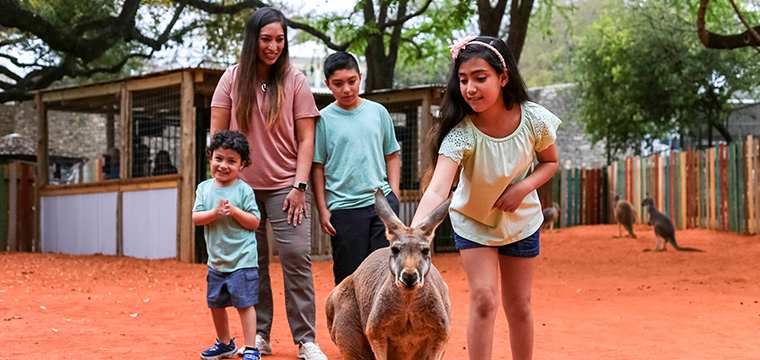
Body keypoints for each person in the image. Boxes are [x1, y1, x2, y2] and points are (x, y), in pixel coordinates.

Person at [410, 36, 561, 360]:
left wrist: (522, 189)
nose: (470, 88)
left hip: (521, 222)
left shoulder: (534, 119)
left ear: (503, 78)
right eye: (463, 80)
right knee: (484, 299)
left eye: (480, 77)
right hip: (473, 221)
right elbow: (438, 188)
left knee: (519, 305)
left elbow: (550, 162)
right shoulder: (461, 133)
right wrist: (415, 234)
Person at [209, 7, 327, 360]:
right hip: (241, 189)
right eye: (265, 39)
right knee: (251, 262)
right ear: (252, 40)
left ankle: (306, 339)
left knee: (295, 257)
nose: (273, 46)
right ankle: (259, 335)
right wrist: (224, 184)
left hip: (287, 188)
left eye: (279, 40)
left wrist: (299, 186)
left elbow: (307, 139)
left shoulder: (295, 80)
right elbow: (217, 135)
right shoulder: (232, 79)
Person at [312, 51, 401, 285]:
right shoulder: (322, 119)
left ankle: (380, 323)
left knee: (384, 275)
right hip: (344, 208)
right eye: (338, 84)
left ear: (360, 77)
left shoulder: (378, 112)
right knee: (349, 278)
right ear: (327, 84)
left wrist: (394, 196)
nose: (347, 89)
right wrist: (323, 209)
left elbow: (392, 156)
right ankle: (348, 323)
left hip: (381, 206)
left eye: (352, 81)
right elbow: (318, 167)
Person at [192, 130, 262, 360]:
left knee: (245, 304)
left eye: (232, 161)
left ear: (242, 164)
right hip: (217, 261)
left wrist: (234, 211)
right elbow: (196, 218)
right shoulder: (204, 188)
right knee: (216, 304)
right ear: (210, 158)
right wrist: (215, 212)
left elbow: (254, 222)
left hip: (242, 258)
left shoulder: (243, 190)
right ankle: (225, 344)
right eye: (219, 158)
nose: (223, 165)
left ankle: (251, 347)